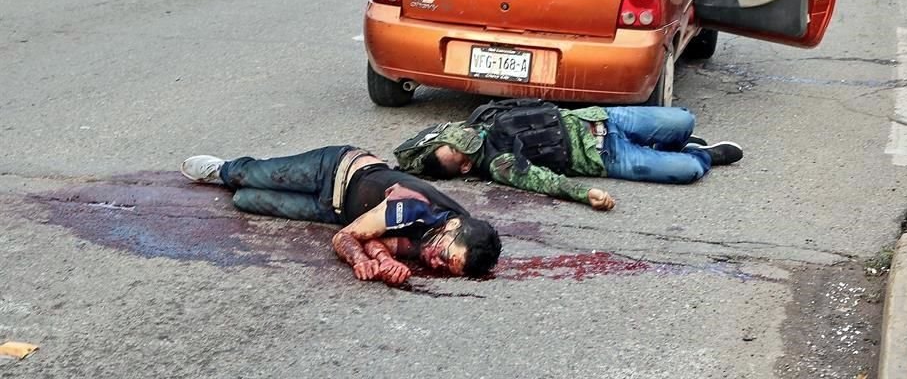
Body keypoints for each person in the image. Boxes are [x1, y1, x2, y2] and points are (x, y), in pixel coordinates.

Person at [179, 146, 501, 285]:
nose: (435, 262)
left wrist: (384, 262)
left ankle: (232, 178)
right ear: (453, 226)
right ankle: (221, 167)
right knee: (242, 179)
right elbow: (345, 238)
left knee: (245, 201)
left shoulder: (437, 240)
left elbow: (381, 240)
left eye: (446, 267)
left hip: (331, 209)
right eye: (445, 255)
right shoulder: (416, 206)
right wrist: (360, 261)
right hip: (332, 169)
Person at [394, 101, 743, 209]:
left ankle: (675, 140)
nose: (458, 142)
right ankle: (701, 154)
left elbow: (411, 150)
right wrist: (585, 194)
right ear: (466, 164)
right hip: (607, 155)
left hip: (599, 117)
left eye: (451, 140)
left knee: (684, 120)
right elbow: (545, 181)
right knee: (688, 171)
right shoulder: (499, 164)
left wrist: (411, 161)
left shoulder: (481, 119)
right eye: (456, 152)